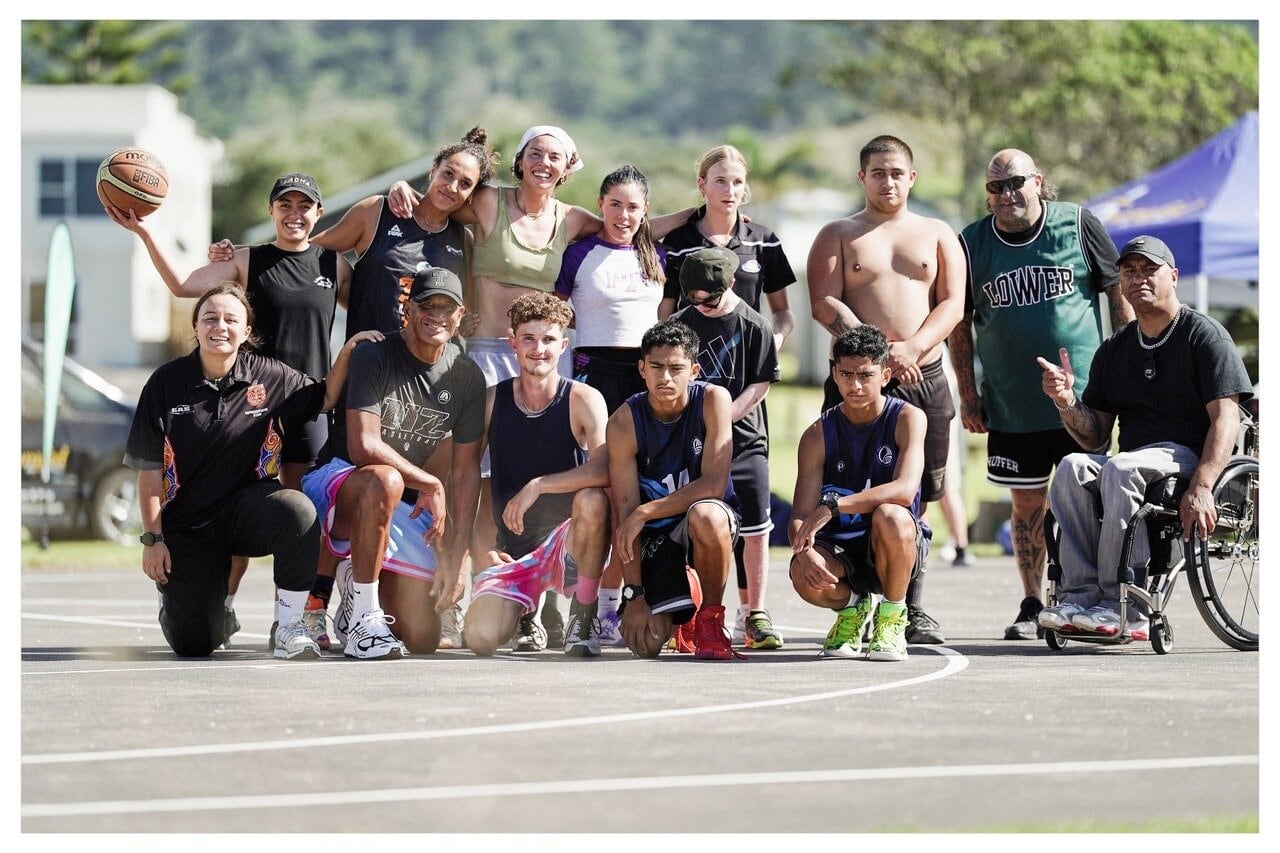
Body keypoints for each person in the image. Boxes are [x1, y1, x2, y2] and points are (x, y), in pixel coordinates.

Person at [206, 133, 497, 648]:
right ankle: (312, 603)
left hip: (425, 385)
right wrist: (237, 255)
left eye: (465, 182)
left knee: (418, 606)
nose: (452, 186)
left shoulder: (465, 239)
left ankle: (383, 598)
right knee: (348, 490)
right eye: (446, 173)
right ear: (432, 170)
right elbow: (300, 252)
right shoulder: (377, 212)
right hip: (367, 381)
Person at [111, 171, 352, 646]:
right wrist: (144, 231)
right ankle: (221, 605)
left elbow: (373, 308)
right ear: (271, 211)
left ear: (319, 214)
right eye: (285, 205)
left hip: (302, 401)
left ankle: (303, 616)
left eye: (305, 206)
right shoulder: (247, 259)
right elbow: (183, 285)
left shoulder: (335, 264)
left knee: (304, 511)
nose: (294, 214)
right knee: (236, 491)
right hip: (245, 400)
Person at [124, 282, 374, 659]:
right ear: (195, 327)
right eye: (209, 318)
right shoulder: (166, 383)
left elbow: (322, 397)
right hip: (188, 523)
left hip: (246, 510)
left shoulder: (269, 376)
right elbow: (148, 470)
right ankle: (196, 611)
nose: (219, 326)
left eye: (230, 319)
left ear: (246, 332)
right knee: (193, 644)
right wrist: (153, 540)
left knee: (297, 510)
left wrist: (349, 351)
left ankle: (289, 626)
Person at [949, 148, 1133, 640]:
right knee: (1027, 504)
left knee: (1089, 500)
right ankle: (1032, 602)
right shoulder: (971, 244)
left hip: (1082, 400)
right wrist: (968, 393)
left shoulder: (1076, 225)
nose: (1006, 195)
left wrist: (1126, 373)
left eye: (1015, 183)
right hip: (1011, 403)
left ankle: (1095, 599)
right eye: (996, 187)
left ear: (1038, 181)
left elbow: (1119, 297)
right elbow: (959, 326)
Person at [1036, 236, 1252, 636]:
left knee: (1121, 465)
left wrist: (1203, 485)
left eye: (1149, 269)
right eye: (1128, 272)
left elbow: (1227, 418)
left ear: (1173, 276)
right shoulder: (1116, 349)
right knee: (1071, 466)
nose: (1138, 278)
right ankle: (1079, 598)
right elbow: (1094, 437)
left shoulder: (1204, 336)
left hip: (1190, 456)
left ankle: (1127, 604)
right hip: (1134, 464)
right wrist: (1066, 401)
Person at [806, 135, 965, 647]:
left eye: (896, 172)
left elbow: (953, 304)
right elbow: (824, 301)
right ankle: (857, 601)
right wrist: (871, 352)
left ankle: (908, 610)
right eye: (877, 172)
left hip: (923, 377)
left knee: (918, 493)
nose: (887, 181)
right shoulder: (839, 234)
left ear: (912, 177)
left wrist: (912, 348)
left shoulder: (938, 233)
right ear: (862, 177)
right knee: (850, 487)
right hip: (859, 382)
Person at [300, 267, 485, 658]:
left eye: (446, 307)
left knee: (421, 639)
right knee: (383, 479)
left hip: (399, 496)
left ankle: (357, 582)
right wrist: (431, 485)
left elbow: (467, 471)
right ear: (408, 308)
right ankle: (366, 617)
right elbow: (363, 446)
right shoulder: (375, 353)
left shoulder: (466, 373)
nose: (436, 315)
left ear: (460, 314)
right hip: (340, 480)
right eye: (426, 305)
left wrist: (457, 552)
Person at [658, 144, 798, 645]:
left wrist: (767, 348)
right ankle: (695, 607)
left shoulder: (764, 241)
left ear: (746, 187)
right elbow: (665, 308)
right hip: (692, 393)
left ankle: (754, 612)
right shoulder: (678, 241)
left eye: (737, 181)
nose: (729, 189)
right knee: (700, 507)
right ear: (703, 185)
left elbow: (783, 313)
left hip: (746, 390)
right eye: (719, 180)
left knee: (754, 504)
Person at [553, 163, 667, 648]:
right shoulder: (579, 253)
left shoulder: (656, 255)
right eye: (615, 204)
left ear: (646, 212)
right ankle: (578, 600)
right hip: (593, 375)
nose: (623, 215)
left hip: (641, 381)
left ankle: (610, 606)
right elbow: (557, 317)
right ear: (600, 204)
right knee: (595, 489)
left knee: (631, 496)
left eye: (633, 207)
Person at [462, 293, 612, 657]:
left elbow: (605, 469)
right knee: (481, 638)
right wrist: (476, 547)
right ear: (512, 343)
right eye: (528, 339)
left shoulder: (583, 398)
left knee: (592, 500)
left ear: (563, 345)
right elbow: (464, 473)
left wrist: (538, 486)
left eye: (547, 340)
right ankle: (526, 613)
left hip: (569, 541)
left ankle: (583, 612)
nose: (538, 349)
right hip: (515, 550)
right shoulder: (491, 400)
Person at [788, 325, 930, 662]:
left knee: (891, 514)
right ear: (834, 374)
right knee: (801, 574)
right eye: (847, 374)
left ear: (884, 375)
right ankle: (853, 609)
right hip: (842, 548)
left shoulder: (908, 418)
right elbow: (799, 514)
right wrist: (803, 552)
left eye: (865, 375)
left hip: (893, 542)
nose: (854, 385)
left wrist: (834, 506)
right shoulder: (816, 435)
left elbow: (904, 490)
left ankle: (892, 618)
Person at [607, 319, 741, 661]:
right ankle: (686, 592)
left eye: (676, 368)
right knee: (648, 643)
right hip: (656, 535)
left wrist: (646, 511)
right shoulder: (624, 422)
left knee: (707, 515)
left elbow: (713, 483)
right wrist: (634, 594)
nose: (665, 377)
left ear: (694, 370)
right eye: (656, 367)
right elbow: (625, 512)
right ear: (642, 368)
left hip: (704, 523)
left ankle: (711, 618)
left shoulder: (714, 400)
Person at [669, 247, 782, 649]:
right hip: (692, 441)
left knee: (754, 529)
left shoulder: (754, 324)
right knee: (690, 524)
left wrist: (724, 417)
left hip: (745, 440)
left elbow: (761, 382)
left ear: (731, 285)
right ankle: (687, 610)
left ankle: (754, 612)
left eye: (710, 299)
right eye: (693, 298)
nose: (701, 306)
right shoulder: (681, 323)